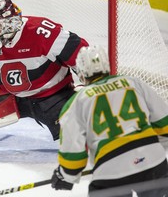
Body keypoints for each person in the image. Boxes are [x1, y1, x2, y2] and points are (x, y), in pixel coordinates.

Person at [0, 0, 89, 141]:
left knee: (77, 134)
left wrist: (92, 83)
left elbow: (80, 52)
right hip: (12, 99)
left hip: (53, 97)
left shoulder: (42, 32)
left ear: (11, 24)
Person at [51, 45, 168, 196]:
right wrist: (150, 152)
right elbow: (164, 123)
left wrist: (66, 175)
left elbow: (73, 149)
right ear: (107, 65)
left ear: (80, 73)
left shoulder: (76, 102)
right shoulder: (133, 83)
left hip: (111, 170)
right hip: (153, 161)